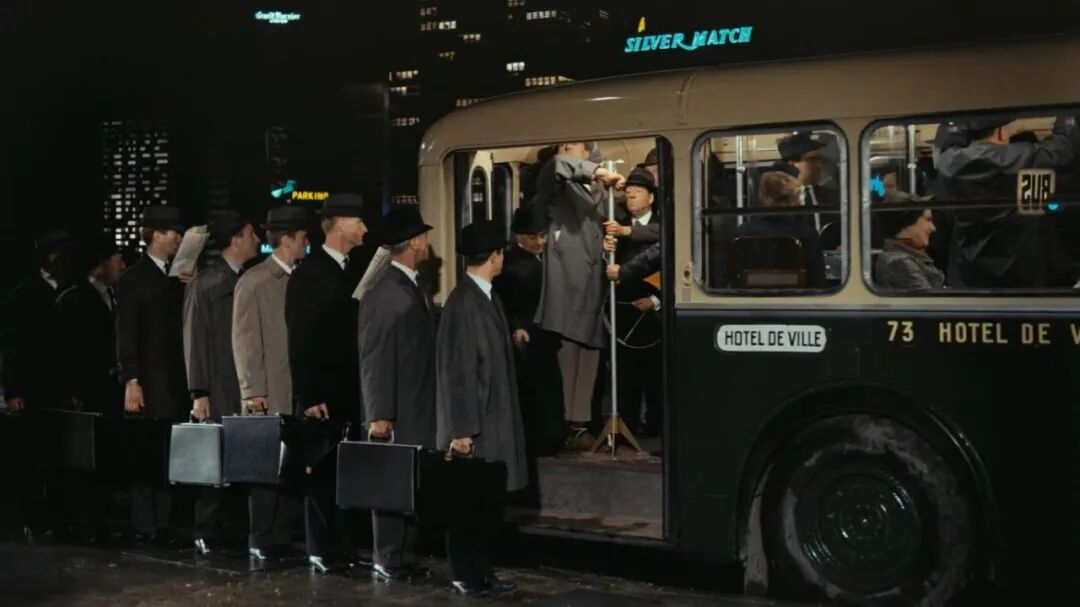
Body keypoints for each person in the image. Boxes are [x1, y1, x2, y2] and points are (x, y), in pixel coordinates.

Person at [436, 220, 528, 597]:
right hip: (477, 424)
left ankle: (481, 572)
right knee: (468, 506)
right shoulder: (465, 304)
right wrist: (461, 430)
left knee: (483, 504)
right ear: (495, 256)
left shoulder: (486, 297)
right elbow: (458, 371)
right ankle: (467, 575)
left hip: (490, 418)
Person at [285, 193, 368, 573]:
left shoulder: (351, 269)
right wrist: (310, 394)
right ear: (340, 224)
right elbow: (300, 337)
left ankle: (343, 546)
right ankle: (321, 549)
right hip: (324, 393)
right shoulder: (309, 274)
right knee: (321, 471)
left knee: (345, 470)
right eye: (358, 221)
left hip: (349, 388)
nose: (364, 228)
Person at [357, 205, 436, 583]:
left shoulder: (410, 285)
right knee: (391, 482)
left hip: (414, 403)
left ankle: (403, 555)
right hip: (397, 407)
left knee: (408, 482)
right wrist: (379, 414)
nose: (429, 243)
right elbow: (374, 356)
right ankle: (388, 557)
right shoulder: (386, 293)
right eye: (425, 236)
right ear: (414, 241)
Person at [232, 206, 308, 562]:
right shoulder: (256, 281)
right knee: (264, 468)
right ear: (287, 239)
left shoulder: (299, 280)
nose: (307, 242)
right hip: (268, 392)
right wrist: (253, 391)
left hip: (294, 389)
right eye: (303, 236)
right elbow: (245, 340)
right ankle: (261, 539)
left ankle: (280, 536)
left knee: (290, 466)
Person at [533, 142, 625, 436]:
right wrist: (598, 171)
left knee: (590, 354)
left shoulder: (601, 190)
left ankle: (580, 424)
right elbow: (557, 165)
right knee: (568, 353)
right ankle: (564, 424)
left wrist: (608, 246)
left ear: (588, 150)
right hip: (568, 284)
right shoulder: (557, 182)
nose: (564, 150)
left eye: (571, 146)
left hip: (594, 281)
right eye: (562, 146)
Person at [182, 210, 259, 555]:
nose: (257, 240)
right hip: (217, 382)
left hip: (240, 382)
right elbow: (194, 340)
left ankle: (232, 526)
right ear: (236, 238)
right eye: (251, 233)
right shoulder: (206, 284)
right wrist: (199, 391)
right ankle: (206, 528)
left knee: (238, 456)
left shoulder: (246, 279)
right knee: (214, 458)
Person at [115, 206, 193, 545]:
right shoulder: (133, 279)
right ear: (157, 235)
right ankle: (145, 524)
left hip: (174, 380)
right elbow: (126, 334)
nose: (178, 238)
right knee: (145, 451)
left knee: (169, 451)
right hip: (148, 380)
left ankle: (162, 524)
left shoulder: (176, 279)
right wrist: (131, 381)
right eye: (174, 232)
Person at [935, 116, 1080, 288]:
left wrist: (964, 125)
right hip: (1019, 271)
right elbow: (1063, 147)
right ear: (1000, 133)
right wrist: (1065, 116)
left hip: (969, 271)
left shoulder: (952, 162)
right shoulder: (1017, 158)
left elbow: (949, 140)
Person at [1, 229, 74, 537]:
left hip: (58, 388)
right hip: (32, 388)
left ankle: (56, 517)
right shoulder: (23, 295)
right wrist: (13, 390)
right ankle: (30, 516)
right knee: (31, 456)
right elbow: (11, 347)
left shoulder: (72, 291)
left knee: (60, 454)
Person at [494, 204, 564, 458]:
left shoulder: (542, 259)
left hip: (544, 338)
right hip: (529, 341)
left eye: (543, 235)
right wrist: (518, 327)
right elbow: (509, 303)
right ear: (518, 237)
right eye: (534, 237)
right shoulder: (512, 266)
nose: (541, 241)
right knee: (536, 395)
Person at [602, 168, 662, 437]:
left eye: (637, 192)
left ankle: (657, 427)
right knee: (625, 373)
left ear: (651, 197)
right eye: (627, 193)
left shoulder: (663, 225)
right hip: (624, 310)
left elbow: (668, 265)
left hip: (655, 311)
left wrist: (656, 300)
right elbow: (606, 269)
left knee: (655, 374)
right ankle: (626, 425)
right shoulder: (615, 225)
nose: (631, 197)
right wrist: (606, 252)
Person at [733, 171, 827, 288]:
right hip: (796, 297)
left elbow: (734, 279)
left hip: (753, 297)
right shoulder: (808, 234)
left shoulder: (743, 233)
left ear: (763, 196)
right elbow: (818, 282)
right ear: (795, 198)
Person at [875, 192, 945, 290]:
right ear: (905, 225)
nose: (933, 228)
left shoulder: (911, 256)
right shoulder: (899, 262)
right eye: (928, 220)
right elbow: (927, 298)